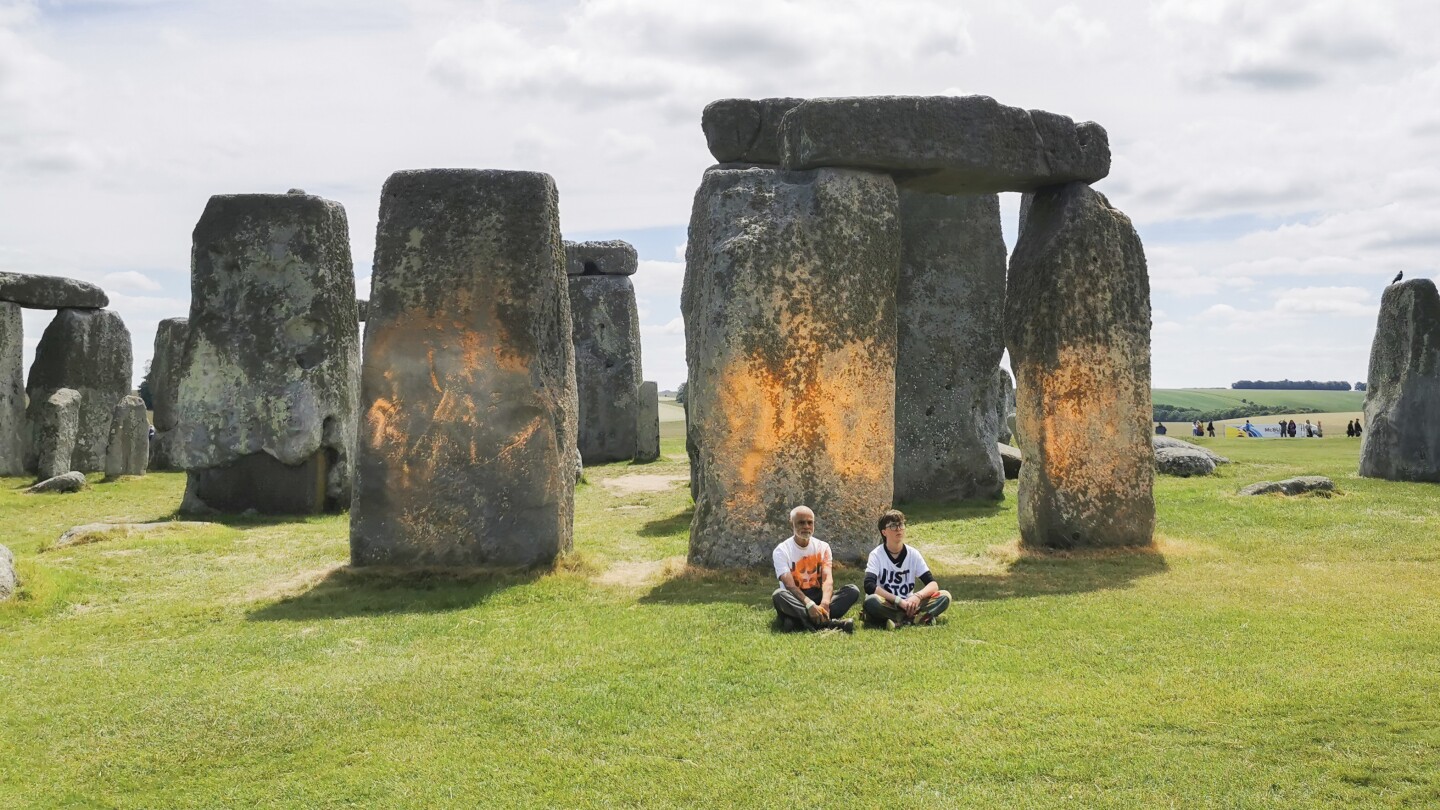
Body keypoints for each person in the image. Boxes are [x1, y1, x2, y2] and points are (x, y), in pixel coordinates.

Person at [771, 505, 859, 633]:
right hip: (796, 598)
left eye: (809, 522)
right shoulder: (782, 550)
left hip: (818, 595)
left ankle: (797, 621)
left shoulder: (823, 547)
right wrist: (809, 605)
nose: (806, 526)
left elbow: (827, 579)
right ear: (792, 524)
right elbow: (789, 585)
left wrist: (825, 603)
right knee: (779, 595)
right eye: (801, 522)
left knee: (852, 591)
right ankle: (829, 623)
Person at [862, 510, 950, 629]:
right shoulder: (876, 555)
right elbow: (869, 585)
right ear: (884, 532)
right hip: (889, 603)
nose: (898, 529)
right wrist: (899, 601)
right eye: (893, 526)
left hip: (910, 603)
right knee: (871, 601)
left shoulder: (913, 554)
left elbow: (932, 584)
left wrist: (917, 597)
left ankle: (897, 619)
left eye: (901, 525)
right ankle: (916, 618)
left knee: (944, 596)